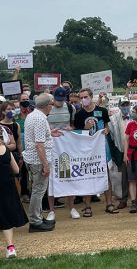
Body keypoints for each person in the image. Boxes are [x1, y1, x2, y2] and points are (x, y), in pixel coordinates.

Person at [73, 88, 117, 217]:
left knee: (106, 175)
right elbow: (77, 132)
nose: (83, 100)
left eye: (85, 97)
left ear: (91, 97)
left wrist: (106, 130)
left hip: (102, 147)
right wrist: (85, 128)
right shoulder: (79, 114)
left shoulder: (101, 111)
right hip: (86, 150)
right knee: (87, 176)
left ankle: (109, 203)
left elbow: (107, 125)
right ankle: (87, 206)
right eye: (81, 98)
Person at [23, 94, 61, 232]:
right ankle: (35, 221)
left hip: (34, 159)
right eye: (51, 104)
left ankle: (37, 217)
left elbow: (37, 138)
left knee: (38, 190)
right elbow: (39, 145)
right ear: (47, 105)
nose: (52, 106)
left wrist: (49, 133)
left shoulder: (33, 115)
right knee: (38, 191)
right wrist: (45, 164)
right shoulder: (40, 119)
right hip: (38, 160)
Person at [45, 87, 79, 220]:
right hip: (51, 146)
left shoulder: (71, 108)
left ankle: (71, 207)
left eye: (62, 99)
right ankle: (51, 210)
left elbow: (74, 125)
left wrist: (71, 128)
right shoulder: (47, 109)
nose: (59, 102)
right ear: (53, 98)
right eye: (57, 100)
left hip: (65, 146)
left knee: (67, 175)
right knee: (51, 178)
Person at [0, 134, 28, 259]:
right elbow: (16, 170)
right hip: (7, 185)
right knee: (6, 218)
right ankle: (10, 247)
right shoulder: (6, 149)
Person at [108, 97, 131, 209]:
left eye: (127, 104)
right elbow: (111, 137)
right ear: (119, 106)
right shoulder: (112, 119)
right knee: (123, 176)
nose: (125, 106)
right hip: (121, 150)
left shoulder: (135, 116)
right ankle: (123, 199)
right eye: (123, 104)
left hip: (135, 150)